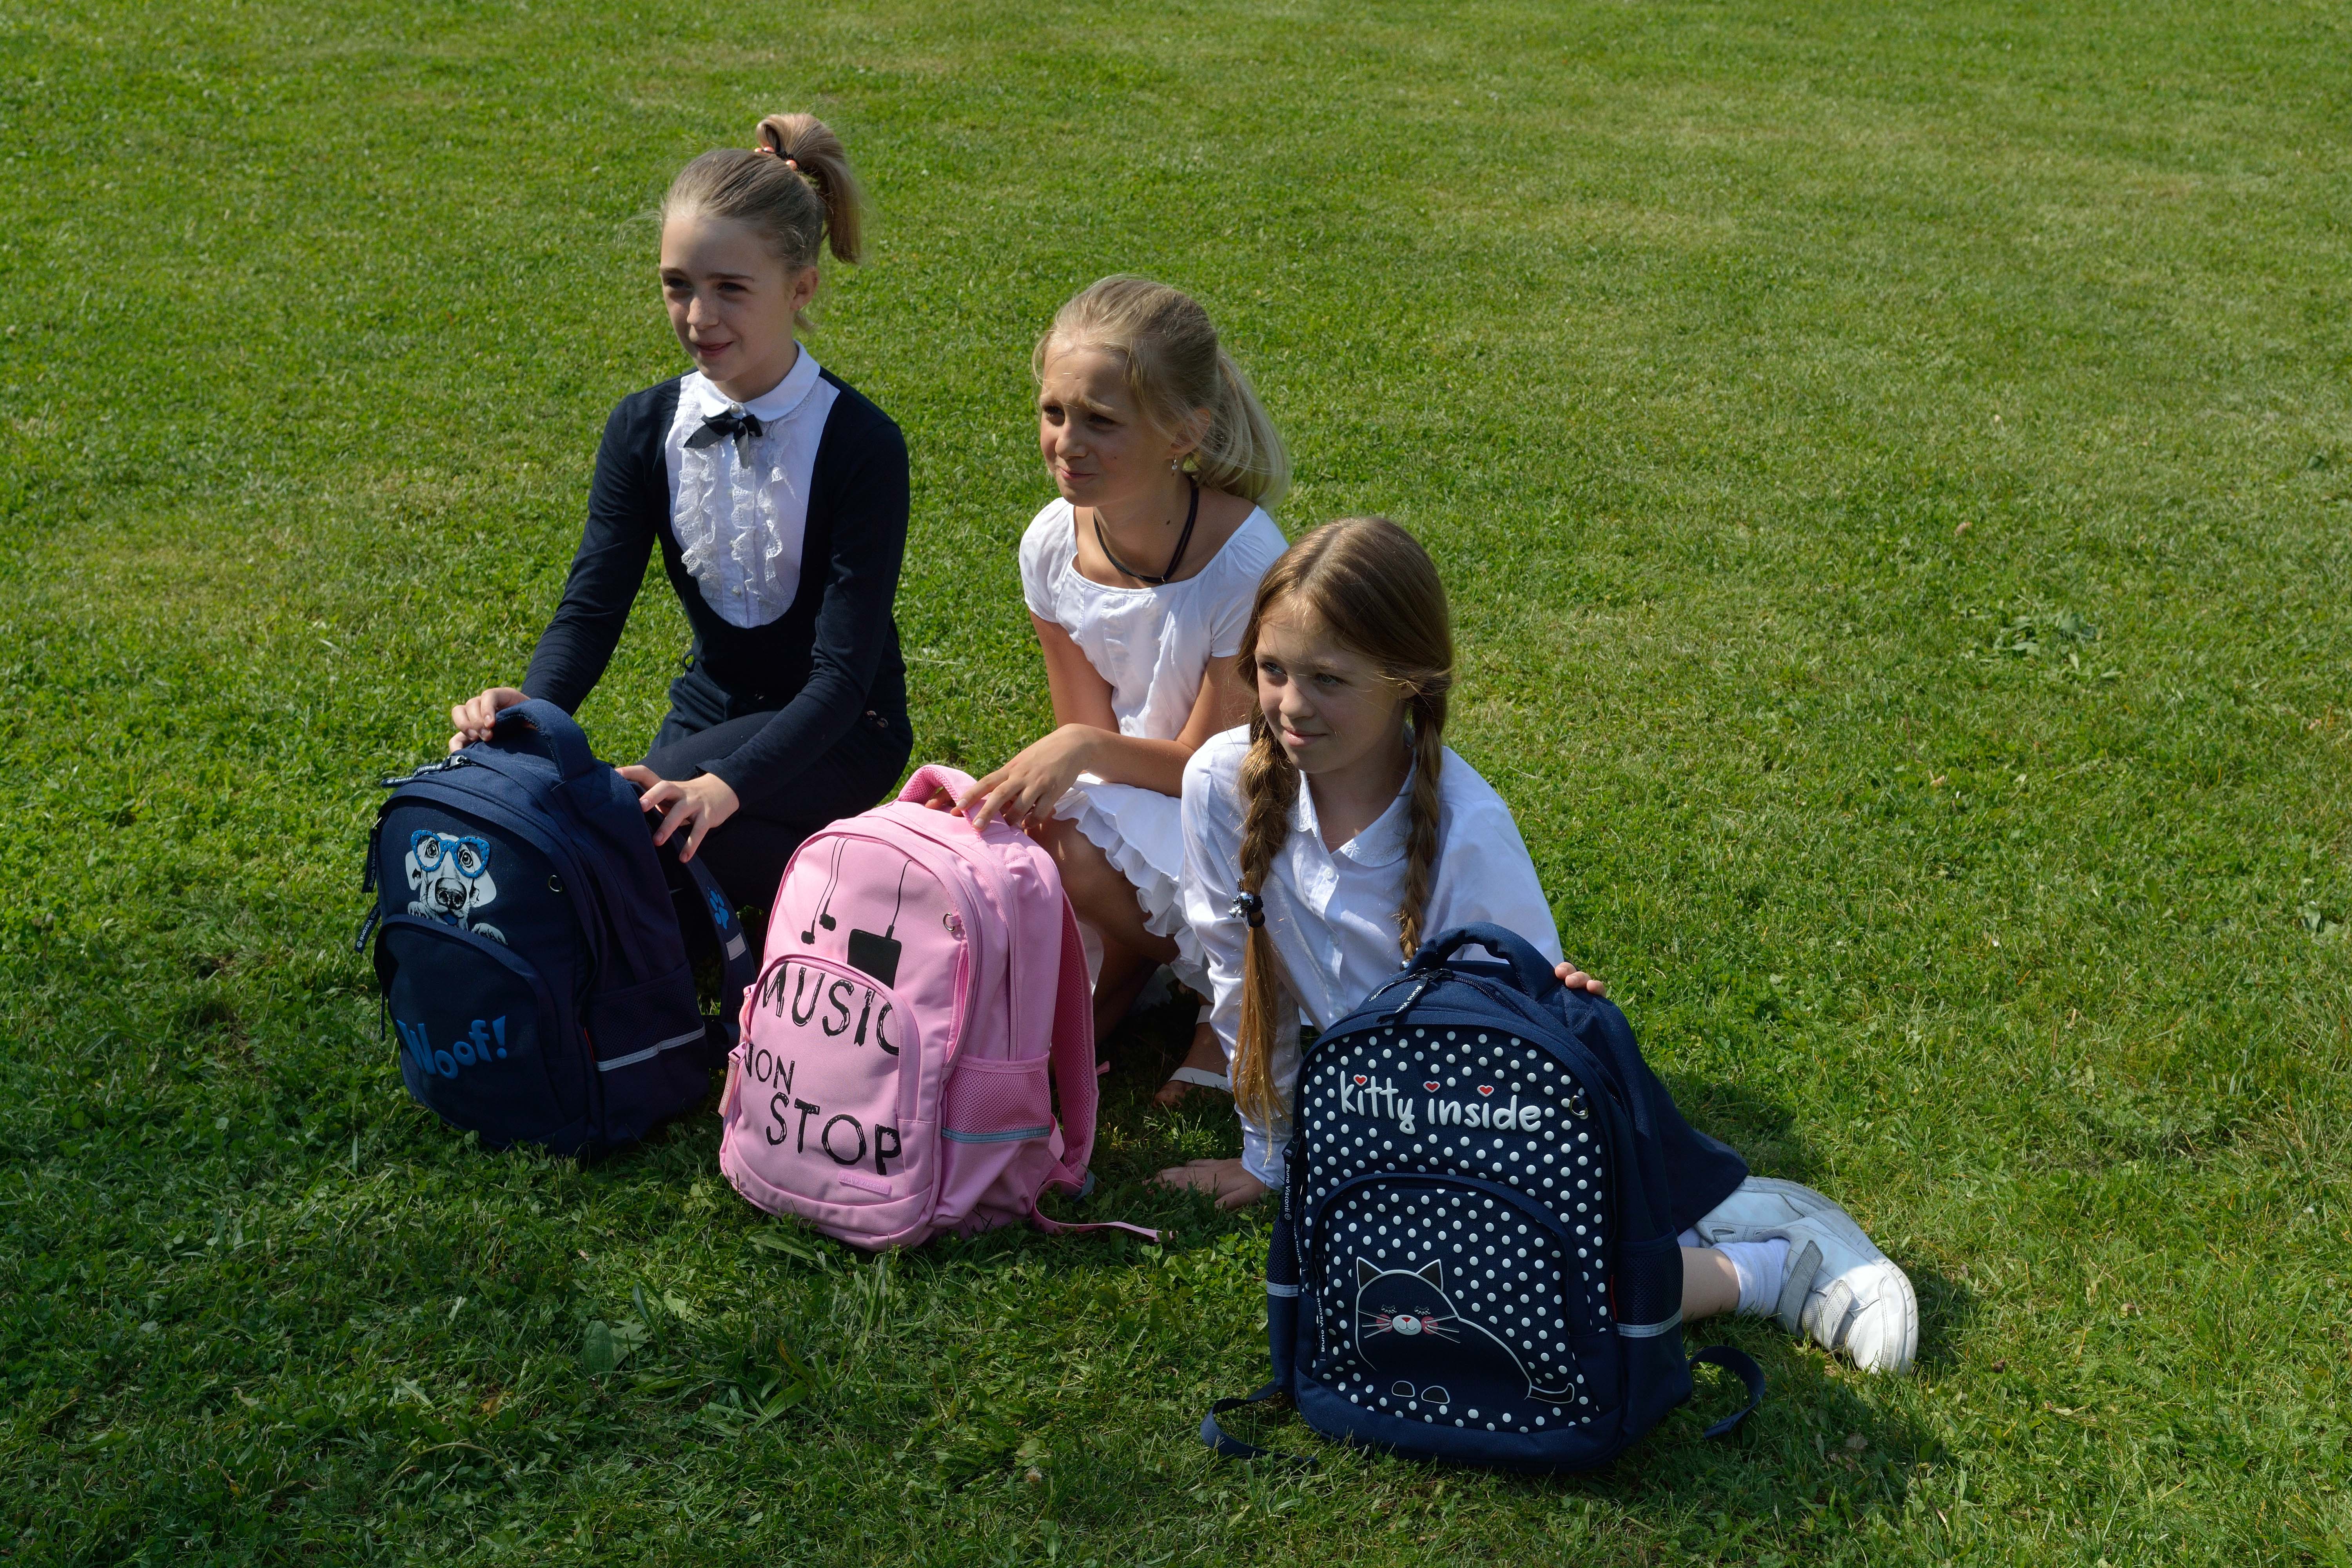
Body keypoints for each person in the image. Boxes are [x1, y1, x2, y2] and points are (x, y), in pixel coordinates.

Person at [1158, 517, 1917, 1372]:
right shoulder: (1221, 785)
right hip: (1371, 1120)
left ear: (1410, 681)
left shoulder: (1466, 830)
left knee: (1496, 1291)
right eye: (1272, 669)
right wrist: (1273, 1158)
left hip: (1489, 1115)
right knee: (1392, 1300)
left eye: (1329, 678)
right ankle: (1712, 1227)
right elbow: (1238, 972)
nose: (1292, 704)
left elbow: (1520, 1050)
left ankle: (1769, 1264)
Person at [446, 113, 912, 916]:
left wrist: (722, 786)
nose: (699, 317)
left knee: (635, 846)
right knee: (631, 846)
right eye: (678, 284)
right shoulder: (642, 426)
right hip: (708, 712)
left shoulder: (861, 442)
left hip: (844, 729)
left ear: (802, 288)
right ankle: (822, 878)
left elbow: (841, 679)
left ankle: (841, 881)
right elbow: (591, 610)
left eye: (731, 288)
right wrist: (532, 714)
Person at [947, 278, 1289, 1092]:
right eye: (1053, 412)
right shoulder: (1049, 544)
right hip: (1135, 780)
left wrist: (1083, 747)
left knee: (1065, 834)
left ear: (1183, 433)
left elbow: (1212, 767)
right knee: (1029, 831)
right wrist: (1076, 755)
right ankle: (1131, 963)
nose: (1068, 441)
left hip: (1240, 808)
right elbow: (1087, 739)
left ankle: (1236, 1001)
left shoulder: (1243, 558)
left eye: (1102, 420)